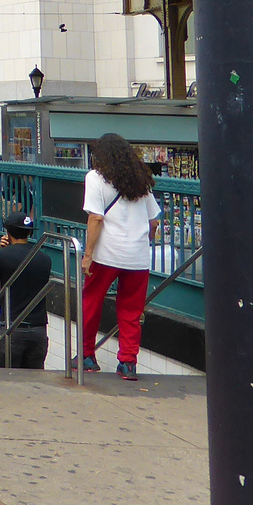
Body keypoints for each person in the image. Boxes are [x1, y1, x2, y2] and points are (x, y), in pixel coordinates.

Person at [80, 133, 161, 380]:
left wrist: (88, 254)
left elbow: (96, 218)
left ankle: (86, 356)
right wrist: (138, 242)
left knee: (91, 301)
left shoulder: (95, 178)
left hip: (107, 254)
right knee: (131, 311)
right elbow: (154, 222)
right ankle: (128, 363)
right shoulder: (140, 181)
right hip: (137, 258)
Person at [0, 212, 52, 369]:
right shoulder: (44, 258)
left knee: (2, 378)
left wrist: (3, 252)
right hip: (38, 329)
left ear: (8, 232)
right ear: (29, 232)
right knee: (34, 380)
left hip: (10, 326)